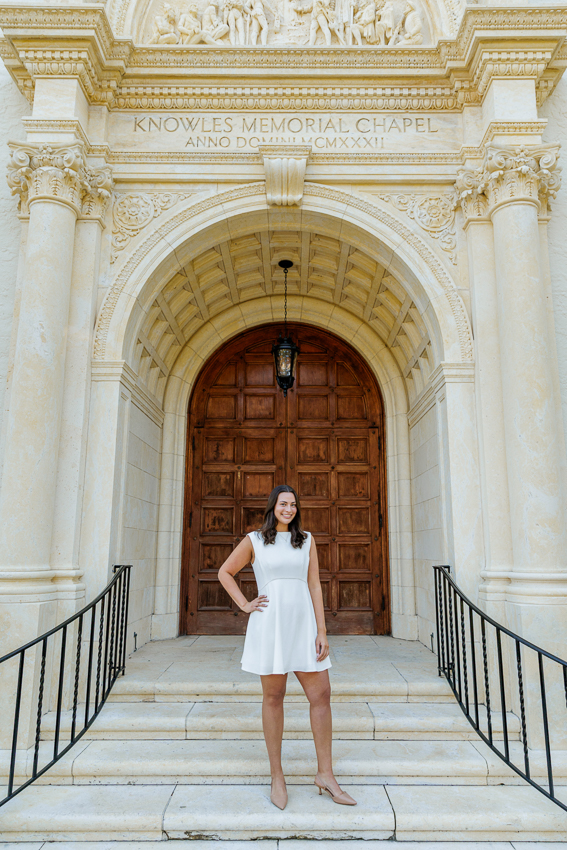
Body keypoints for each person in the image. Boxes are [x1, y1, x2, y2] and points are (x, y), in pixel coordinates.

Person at [218, 485, 357, 811]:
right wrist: (245, 604)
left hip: (303, 625)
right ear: (273, 507)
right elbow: (225, 572)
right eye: (283, 503)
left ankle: (326, 774)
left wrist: (322, 630)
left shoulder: (306, 540)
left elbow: (314, 585)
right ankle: (277, 775)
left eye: (293, 504)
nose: (289, 508)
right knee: (274, 696)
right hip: (271, 626)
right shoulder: (255, 540)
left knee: (321, 694)